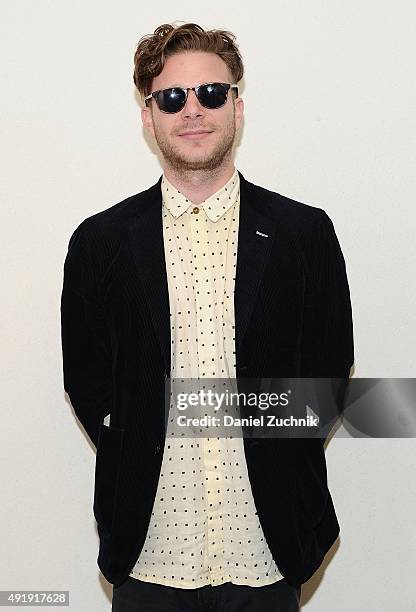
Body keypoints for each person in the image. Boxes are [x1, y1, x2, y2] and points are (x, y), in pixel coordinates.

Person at [60, 22, 354, 612]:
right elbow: (89, 385)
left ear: (237, 106)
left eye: (212, 93)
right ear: (149, 115)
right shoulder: (100, 242)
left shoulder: (305, 235)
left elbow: (327, 379)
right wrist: (140, 431)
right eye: (172, 97)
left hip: (269, 553)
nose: (193, 110)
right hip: (149, 555)